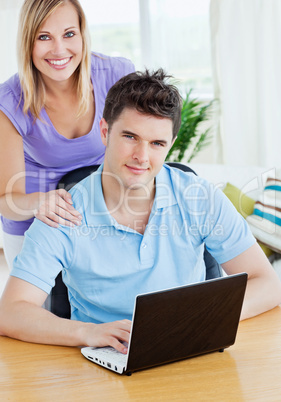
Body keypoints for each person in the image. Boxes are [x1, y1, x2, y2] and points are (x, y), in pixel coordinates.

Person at [0, 69, 280, 354]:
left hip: (190, 348)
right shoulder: (62, 213)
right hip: (105, 361)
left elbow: (268, 284)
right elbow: (11, 312)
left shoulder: (201, 197)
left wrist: (192, 320)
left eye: (157, 143)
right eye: (131, 137)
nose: (141, 157)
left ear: (170, 144)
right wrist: (88, 332)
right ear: (105, 131)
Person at [0, 0, 134, 269]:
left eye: (69, 34)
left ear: (83, 34)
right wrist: (41, 203)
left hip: (102, 216)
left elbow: (140, 143)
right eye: (44, 36)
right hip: (35, 225)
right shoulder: (9, 101)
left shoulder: (116, 75)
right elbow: (6, 200)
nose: (59, 49)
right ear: (28, 42)